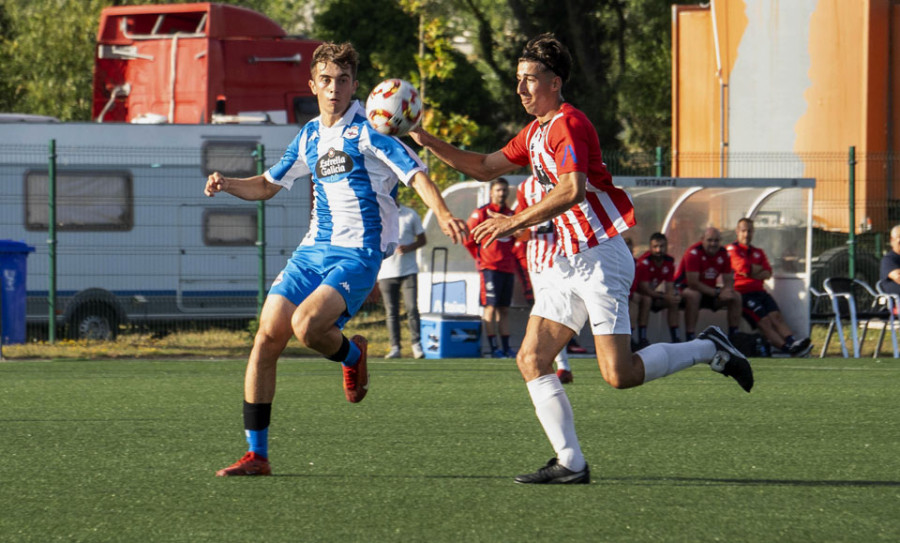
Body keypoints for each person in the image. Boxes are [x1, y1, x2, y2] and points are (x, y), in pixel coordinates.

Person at [410, 33, 754, 485]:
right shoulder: (534, 132)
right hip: (564, 263)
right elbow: (484, 166)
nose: (521, 89)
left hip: (599, 257)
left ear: (554, 82)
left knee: (620, 374)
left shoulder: (568, 124)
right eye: (518, 80)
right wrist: (422, 136)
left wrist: (510, 223)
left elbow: (571, 191)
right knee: (532, 358)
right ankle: (570, 461)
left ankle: (709, 348)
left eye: (529, 80)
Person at [205, 42, 467, 477]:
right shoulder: (309, 135)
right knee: (267, 337)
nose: (334, 88)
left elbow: (416, 174)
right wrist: (227, 182)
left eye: (343, 81)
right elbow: (268, 185)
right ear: (312, 84)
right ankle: (257, 455)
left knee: (306, 327)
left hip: (359, 253)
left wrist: (442, 213)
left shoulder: (370, 130)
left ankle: (351, 356)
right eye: (325, 80)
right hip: (313, 250)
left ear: (354, 87)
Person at [514, 175, 573, 383]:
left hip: (561, 258)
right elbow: (520, 224)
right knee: (547, 311)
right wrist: (517, 230)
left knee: (552, 311)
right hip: (536, 259)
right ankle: (560, 365)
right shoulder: (525, 187)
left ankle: (560, 364)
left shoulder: (564, 178)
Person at [726, 218, 811, 356]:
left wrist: (753, 271)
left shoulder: (758, 252)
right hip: (743, 294)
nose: (746, 234)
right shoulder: (731, 249)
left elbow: (768, 272)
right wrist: (755, 271)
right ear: (737, 232)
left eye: (749, 231)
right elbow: (744, 268)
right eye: (743, 231)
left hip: (760, 292)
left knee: (776, 317)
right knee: (764, 321)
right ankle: (787, 349)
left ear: (753, 232)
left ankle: (794, 343)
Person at [465, 177, 521, 358]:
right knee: (490, 308)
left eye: (504, 190)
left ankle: (506, 348)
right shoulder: (482, 213)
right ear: (491, 193)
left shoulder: (511, 215)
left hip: (507, 268)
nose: (502, 193)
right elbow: (469, 238)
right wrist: (480, 258)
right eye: (498, 190)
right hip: (489, 268)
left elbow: (518, 239)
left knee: (504, 309)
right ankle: (493, 347)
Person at [377, 198, 426, 359]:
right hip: (386, 272)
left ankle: (416, 345)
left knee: (412, 309)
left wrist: (409, 247)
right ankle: (395, 347)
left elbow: (423, 239)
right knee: (391, 312)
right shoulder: (378, 214)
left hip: (408, 270)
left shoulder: (410, 214)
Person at [674, 227, 742, 341]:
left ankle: (734, 337)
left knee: (736, 296)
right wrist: (717, 292)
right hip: (685, 289)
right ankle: (690, 337)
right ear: (702, 240)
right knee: (694, 295)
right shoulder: (693, 253)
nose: (713, 244)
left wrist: (727, 291)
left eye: (716, 240)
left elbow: (728, 279)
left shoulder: (723, 253)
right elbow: (693, 283)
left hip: (709, 291)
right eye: (710, 240)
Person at [634, 233, 682, 348]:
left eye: (662, 246)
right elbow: (644, 289)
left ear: (666, 247)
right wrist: (665, 296)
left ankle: (676, 337)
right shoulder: (644, 262)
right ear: (650, 248)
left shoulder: (669, 261)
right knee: (647, 300)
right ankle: (642, 338)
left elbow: (670, 285)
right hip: (639, 294)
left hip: (654, 295)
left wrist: (672, 296)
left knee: (673, 301)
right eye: (655, 246)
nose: (658, 250)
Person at [879, 224, 900, 296]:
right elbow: (898, 277)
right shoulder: (888, 259)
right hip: (895, 303)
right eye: (898, 237)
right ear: (892, 241)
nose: (899, 240)